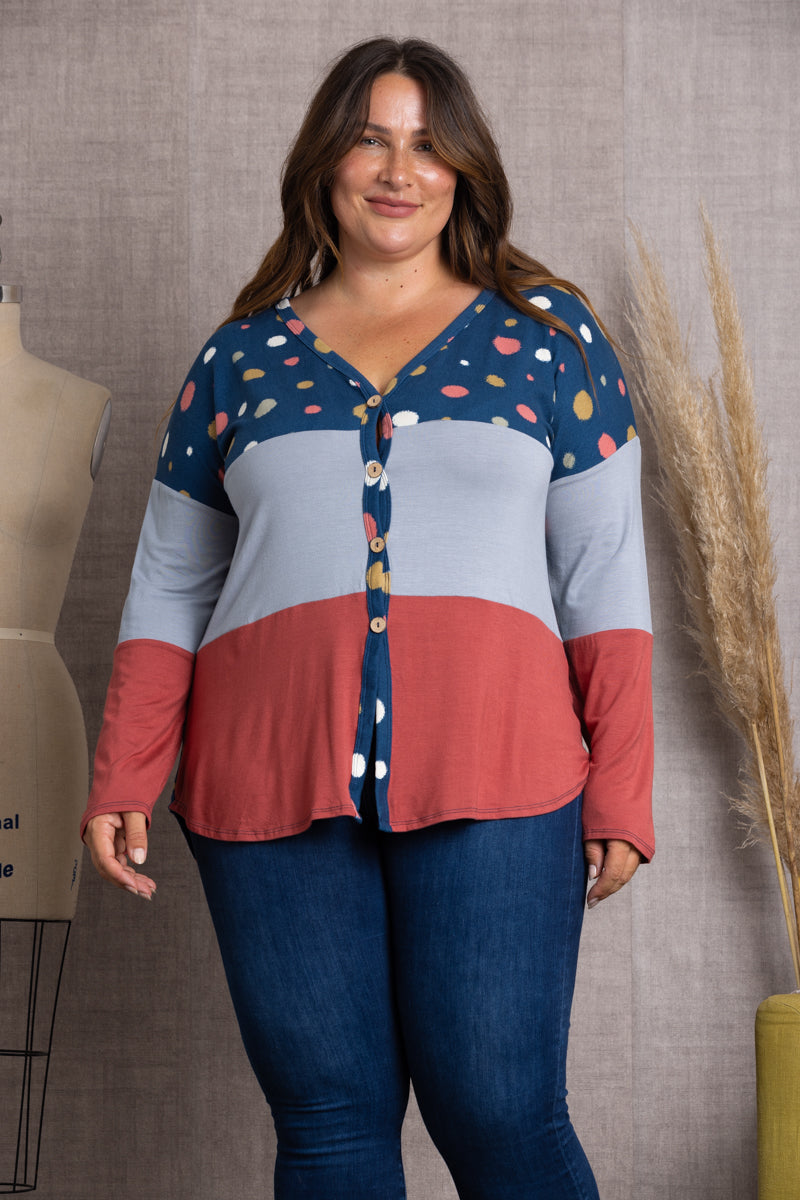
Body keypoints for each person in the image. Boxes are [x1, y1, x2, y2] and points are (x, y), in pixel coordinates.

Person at [82, 36, 653, 1200]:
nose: (400, 171)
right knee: (329, 1130)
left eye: (428, 145)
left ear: (464, 169)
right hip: (267, 775)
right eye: (369, 140)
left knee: (500, 1115)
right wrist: (123, 772)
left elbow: (601, 576)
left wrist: (621, 789)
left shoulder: (546, 337)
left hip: (499, 770)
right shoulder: (239, 358)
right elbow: (171, 583)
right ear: (323, 163)